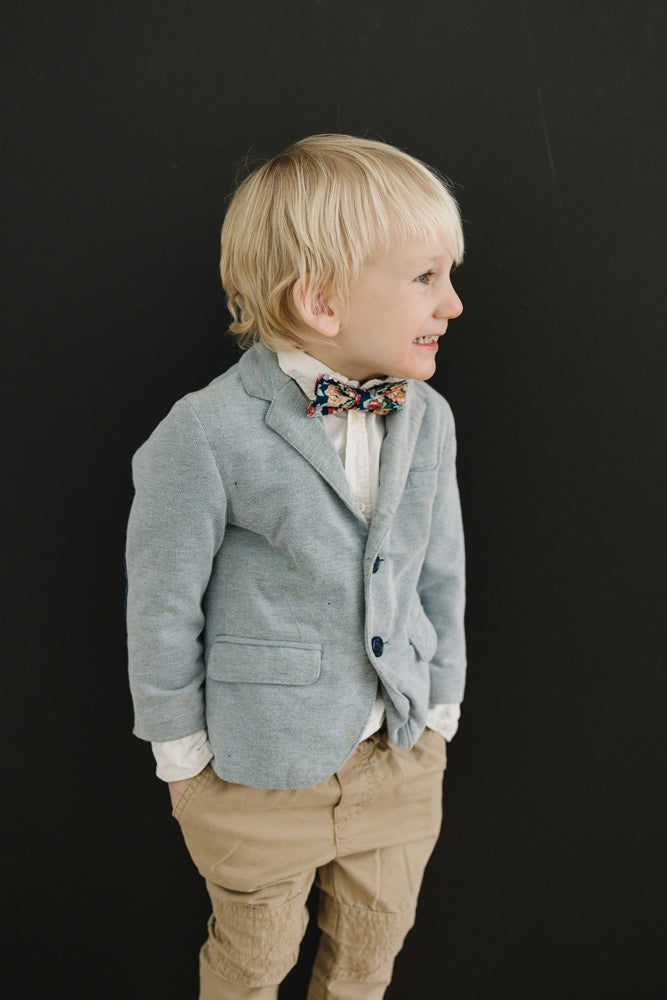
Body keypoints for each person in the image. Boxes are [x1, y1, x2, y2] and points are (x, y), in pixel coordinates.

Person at [126, 133, 467, 999]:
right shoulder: (206, 431)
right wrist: (182, 761)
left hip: (396, 755)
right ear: (319, 301)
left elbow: (440, 569)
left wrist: (439, 710)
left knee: (367, 961)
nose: (453, 303)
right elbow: (162, 603)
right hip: (255, 775)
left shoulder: (427, 417)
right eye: (426, 277)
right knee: (250, 966)